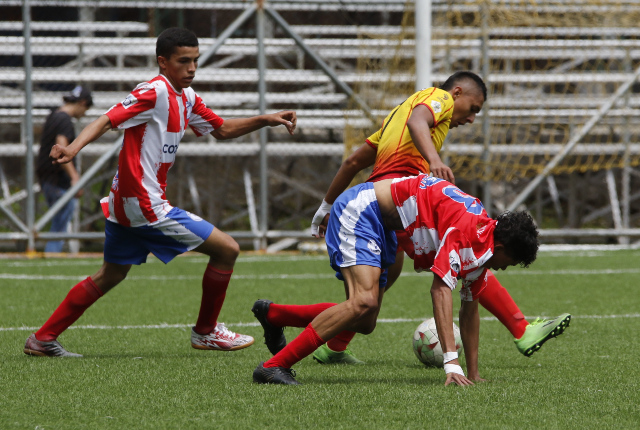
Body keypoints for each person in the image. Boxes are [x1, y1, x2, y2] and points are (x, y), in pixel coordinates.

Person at [23, 27, 297, 357]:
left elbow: (222, 129)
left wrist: (266, 119)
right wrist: (74, 149)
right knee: (227, 249)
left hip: (124, 203)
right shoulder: (153, 92)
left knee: (110, 274)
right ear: (163, 62)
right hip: (143, 204)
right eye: (184, 61)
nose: (192, 68)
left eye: (196, 61)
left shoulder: (188, 97)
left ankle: (42, 339)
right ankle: (206, 332)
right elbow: (107, 120)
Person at [296, 71, 569, 364]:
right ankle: (520, 328)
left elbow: (353, 161)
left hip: (384, 202)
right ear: (458, 93)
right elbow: (418, 121)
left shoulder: (394, 120)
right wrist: (435, 161)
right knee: (473, 254)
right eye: (473, 108)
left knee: (369, 303)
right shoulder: (438, 98)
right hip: (399, 203)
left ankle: (323, 338)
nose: (472, 118)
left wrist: (325, 205)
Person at [253, 174, 560, 385]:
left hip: (386, 227)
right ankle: (273, 367)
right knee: (363, 301)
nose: (505, 269)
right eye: (510, 262)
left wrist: (473, 372)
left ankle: (274, 314)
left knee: (365, 320)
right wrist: (451, 363)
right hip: (363, 210)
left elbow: (470, 310)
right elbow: (441, 290)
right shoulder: (467, 232)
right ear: (502, 248)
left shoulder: (485, 242)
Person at [36, 86, 93, 253]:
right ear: (82, 103)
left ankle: (52, 251)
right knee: (62, 218)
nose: (84, 113)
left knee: (60, 218)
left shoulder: (54, 115)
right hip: (56, 179)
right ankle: (52, 252)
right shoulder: (64, 120)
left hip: (47, 177)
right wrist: (75, 178)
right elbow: (62, 148)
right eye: (86, 108)